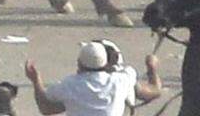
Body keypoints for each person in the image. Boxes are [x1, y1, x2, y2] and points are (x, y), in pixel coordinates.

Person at [24, 41, 161, 116]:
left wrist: (36, 80)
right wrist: (152, 68)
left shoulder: (69, 85)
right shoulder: (122, 80)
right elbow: (154, 91)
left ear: (79, 63)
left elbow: (46, 108)